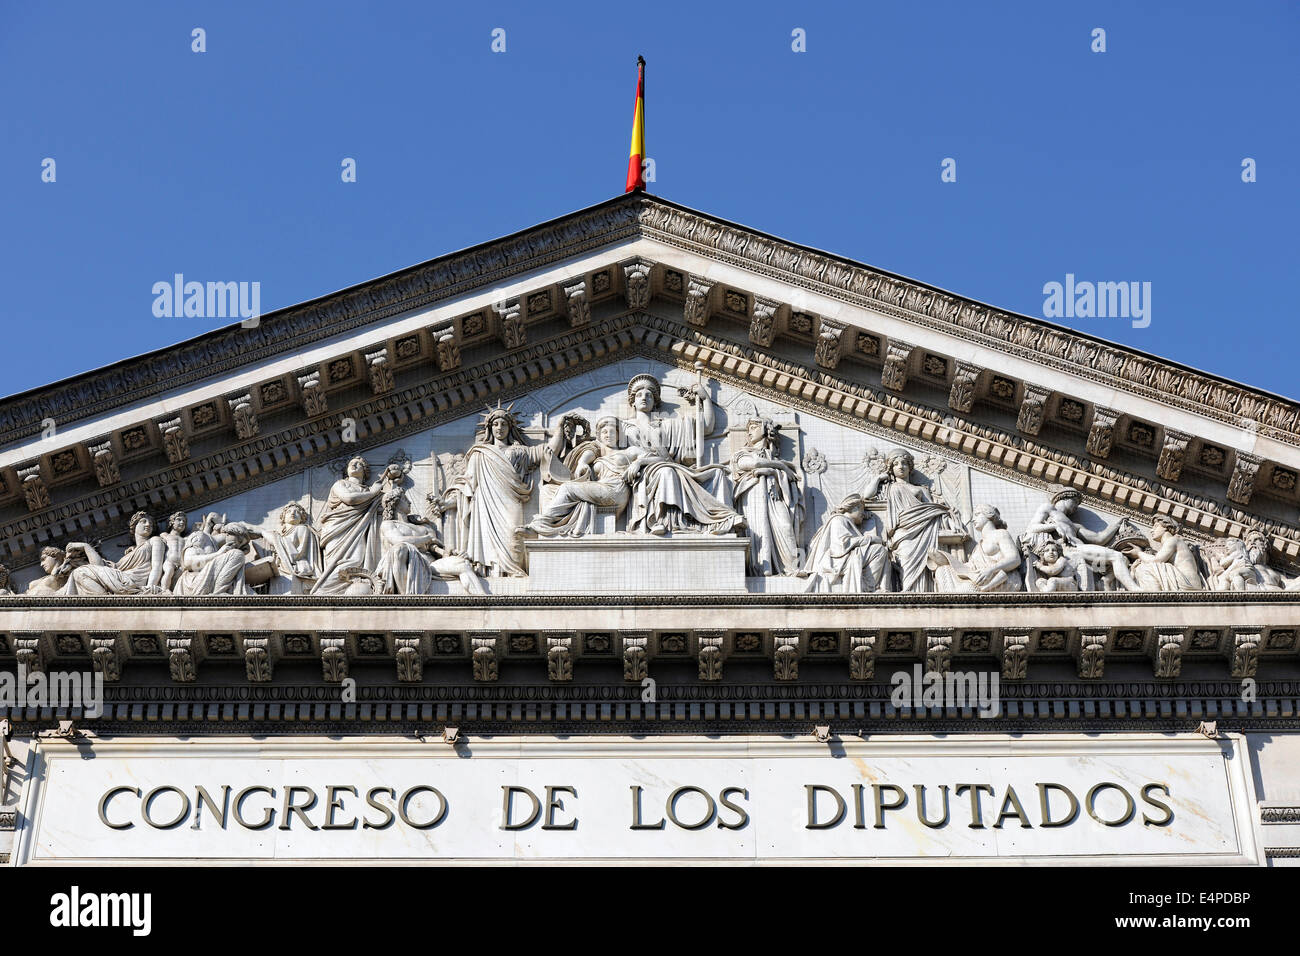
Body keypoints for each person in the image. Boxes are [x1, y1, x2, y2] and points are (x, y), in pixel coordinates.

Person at [622, 373, 743, 536]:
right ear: (633, 401)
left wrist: (705, 398)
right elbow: (602, 448)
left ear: (655, 402)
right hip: (645, 473)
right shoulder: (623, 427)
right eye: (639, 395)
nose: (644, 398)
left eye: (649, 395)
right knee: (666, 472)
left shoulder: (667, 425)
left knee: (718, 474)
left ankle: (723, 521)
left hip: (670, 466)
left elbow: (706, 427)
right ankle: (663, 521)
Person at [459, 404, 565, 576]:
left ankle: (515, 573)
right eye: (495, 424)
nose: (499, 428)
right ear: (489, 428)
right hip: (486, 504)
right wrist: (446, 503)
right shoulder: (479, 453)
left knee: (514, 535)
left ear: (510, 428)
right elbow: (467, 486)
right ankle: (492, 574)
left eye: (503, 424)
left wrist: (559, 427)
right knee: (489, 540)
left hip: (512, 500)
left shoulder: (519, 451)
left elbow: (548, 452)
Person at [863, 448, 964, 593]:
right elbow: (867, 496)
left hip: (923, 530)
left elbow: (933, 510)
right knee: (905, 562)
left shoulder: (921, 489)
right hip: (903, 532)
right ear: (891, 468)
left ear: (910, 467)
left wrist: (949, 518)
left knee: (923, 565)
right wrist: (878, 478)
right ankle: (908, 594)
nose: (900, 466)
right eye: (896, 464)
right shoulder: (889, 487)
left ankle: (920, 595)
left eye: (904, 463)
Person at [526, 416, 643, 537]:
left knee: (567, 488)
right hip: (601, 488)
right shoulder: (597, 452)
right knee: (547, 490)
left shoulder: (628, 451)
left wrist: (638, 463)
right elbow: (589, 453)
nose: (608, 435)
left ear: (619, 435)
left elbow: (656, 457)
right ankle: (553, 531)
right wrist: (582, 463)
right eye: (604, 432)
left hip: (616, 490)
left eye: (613, 432)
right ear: (599, 436)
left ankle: (540, 524)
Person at [1021, 486, 1140, 591]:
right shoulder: (1049, 509)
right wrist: (1055, 526)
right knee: (1116, 556)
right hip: (1071, 550)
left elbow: (1099, 539)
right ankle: (1135, 590)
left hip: (1081, 550)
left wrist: (1117, 525)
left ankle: (1104, 581)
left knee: (1122, 558)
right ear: (1065, 498)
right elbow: (1032, 528)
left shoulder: (1075, 526)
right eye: (1075, 502)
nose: (1076, 508)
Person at [312, 457, 403, 594]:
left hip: (360, 528)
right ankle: (323, 592)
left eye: (359, 464)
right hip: (337, 528)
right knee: (338, 563)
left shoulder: (370, 492)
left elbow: (387, 505)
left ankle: (348, 591)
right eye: (351, 463)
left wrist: (394, 482)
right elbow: (350, 499)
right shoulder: (340, 484)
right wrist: (373, 492)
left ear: (365, 471)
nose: (354, 464)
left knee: (356, 559)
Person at [731, 418, 804, 575]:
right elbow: (754, 464)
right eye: (749, 428)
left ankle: (793, 568)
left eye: (754, 427)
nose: (750, 431)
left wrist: (772, 471)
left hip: (775, 497)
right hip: (753, 496)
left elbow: (792, 480)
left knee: (785, 526)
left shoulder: (775, 459)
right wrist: (780, 467)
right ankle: (761, 569)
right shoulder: (742, 454)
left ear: (765, 429)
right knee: (758, 530)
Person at [797, 494, 889, 592]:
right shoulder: (839, 519)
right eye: (861, 510)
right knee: (879, 551)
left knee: (881, 551)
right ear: (852, 508)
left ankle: (870, 585)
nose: (863, 513)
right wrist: (871, 539)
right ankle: (868, 587)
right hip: (837, 560)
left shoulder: (847, 522)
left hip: (845, 557)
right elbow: (843, 544)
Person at [61, 511, 168, 595]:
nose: (148, 524)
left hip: (132, 582)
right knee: (79, 573)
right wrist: (86, 546)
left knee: (80, 572)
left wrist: (151, 586)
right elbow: (99, 566)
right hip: (121, 579)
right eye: (143, 521)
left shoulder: (154, 540)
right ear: (134, 527)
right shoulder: (130, 552)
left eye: (151, 523)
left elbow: (157, 566)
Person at [932, 504, 1023, 593]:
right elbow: (970, 568)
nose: (973, 519)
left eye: (977, 514)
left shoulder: (1001, 534)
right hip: (979, 579)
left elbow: (1014, 559)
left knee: (966, 588)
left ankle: (955, 600)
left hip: (1000, 579)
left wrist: (990, 570)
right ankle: (950, 601)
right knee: (942, 570)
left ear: (989, 514)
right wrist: (945, 561)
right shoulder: (978, 547)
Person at [1122, 516, 1205, 591]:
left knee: (1144, 568)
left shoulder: (1173, 540)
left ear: (1166, 527)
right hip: (1187, 582)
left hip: (1187, 583)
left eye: (1156, 526)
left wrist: (1139, 553)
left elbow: (1155, 561)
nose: (1151, 530)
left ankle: (1153, 599)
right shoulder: (1172, 543)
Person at [265, 502, 323, 595]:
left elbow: (296, 554)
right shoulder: (281, 535)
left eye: (297, 512)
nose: (292, 513)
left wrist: (271, 536)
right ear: (283, 518)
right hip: (283, 570)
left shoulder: (302, 529)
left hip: (298, 567)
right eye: (289, 512)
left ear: (302, 518)